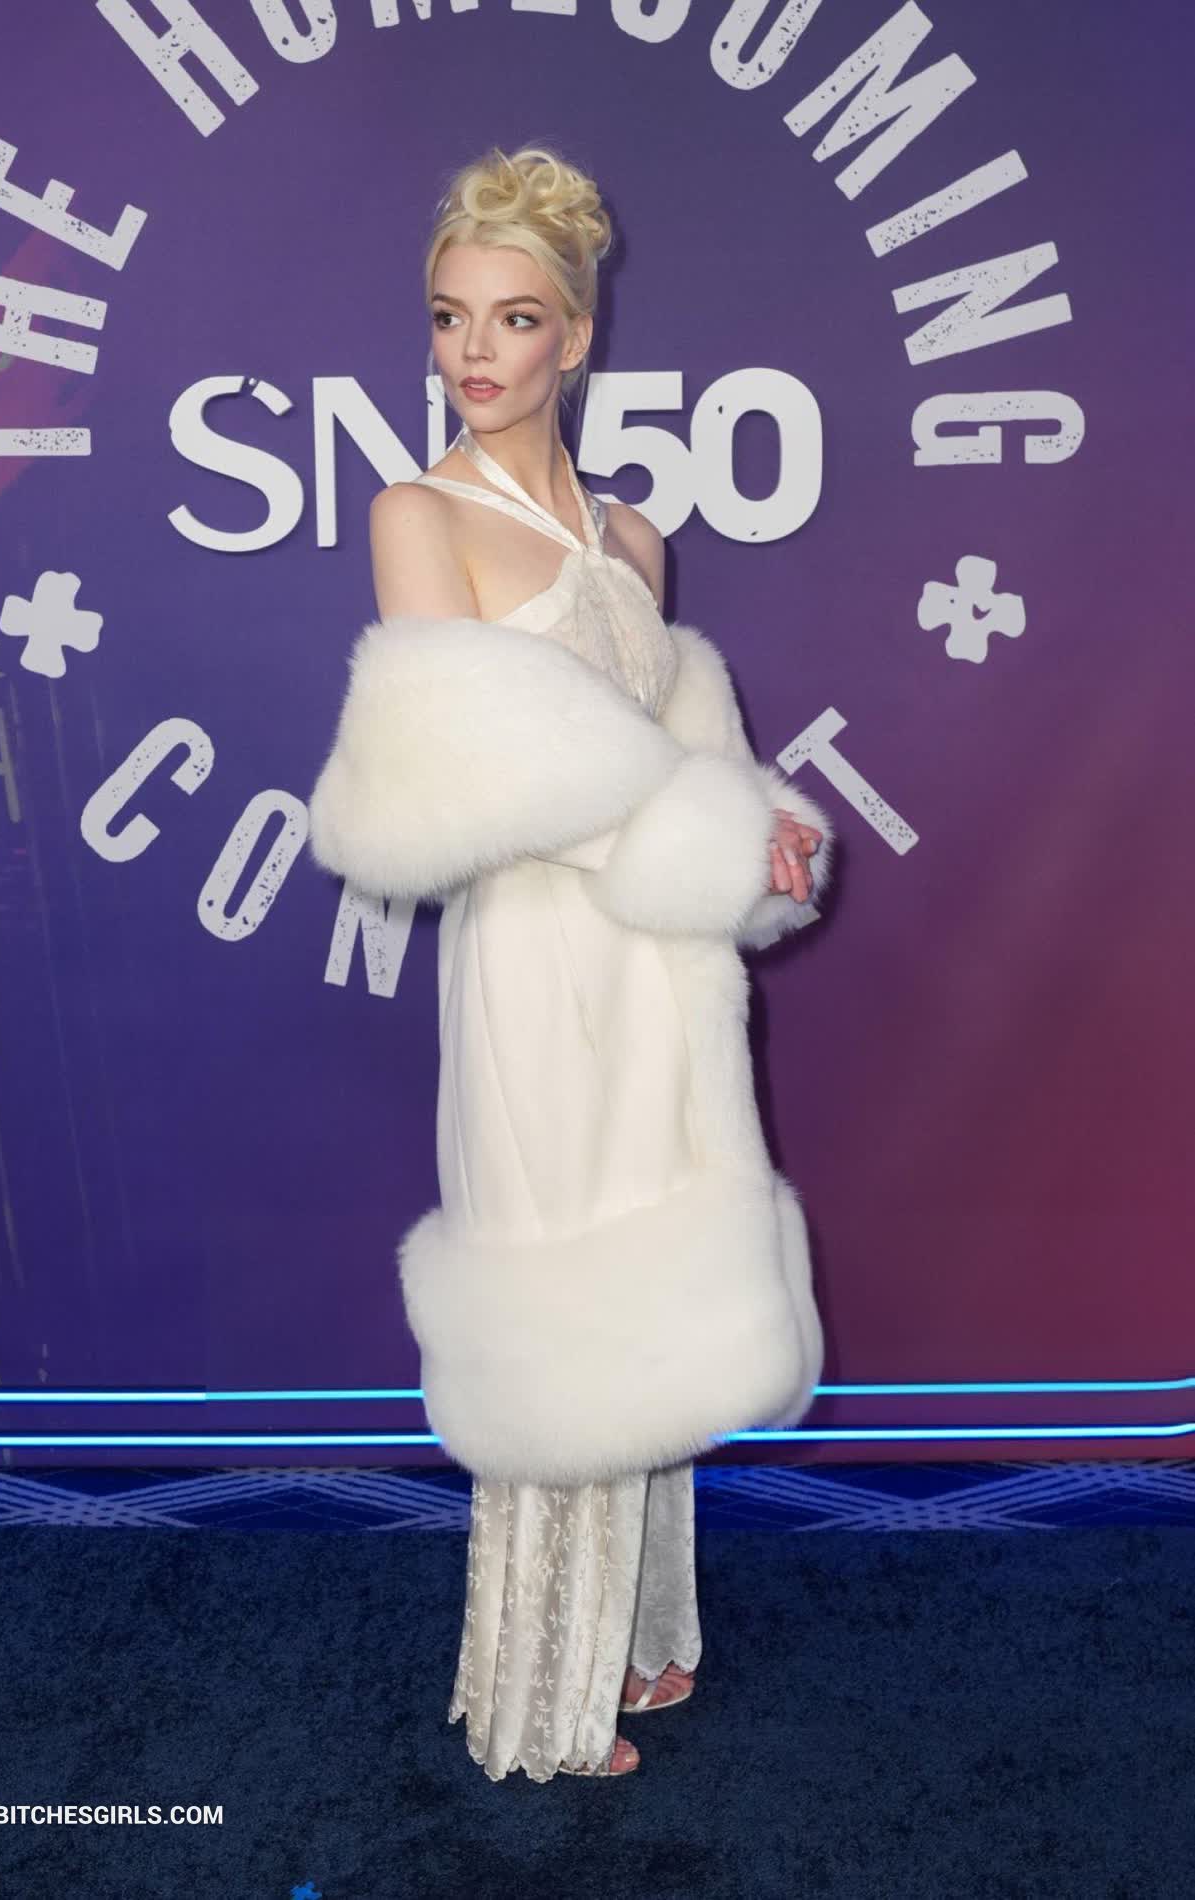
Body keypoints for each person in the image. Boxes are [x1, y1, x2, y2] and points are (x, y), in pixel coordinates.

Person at [308, 144, 835, 1781]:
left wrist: (761, 832)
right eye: (448, 315)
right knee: (557, 1298)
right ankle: (539, 1698)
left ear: (577, 338)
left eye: (514, 317)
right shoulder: (416, 516)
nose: (473, 351)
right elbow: (473, 783)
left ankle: (640, 1633)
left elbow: (677, 763)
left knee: (645, 1282)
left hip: (656, 977)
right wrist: (701, 835)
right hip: (534, 967)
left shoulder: (634, 539)